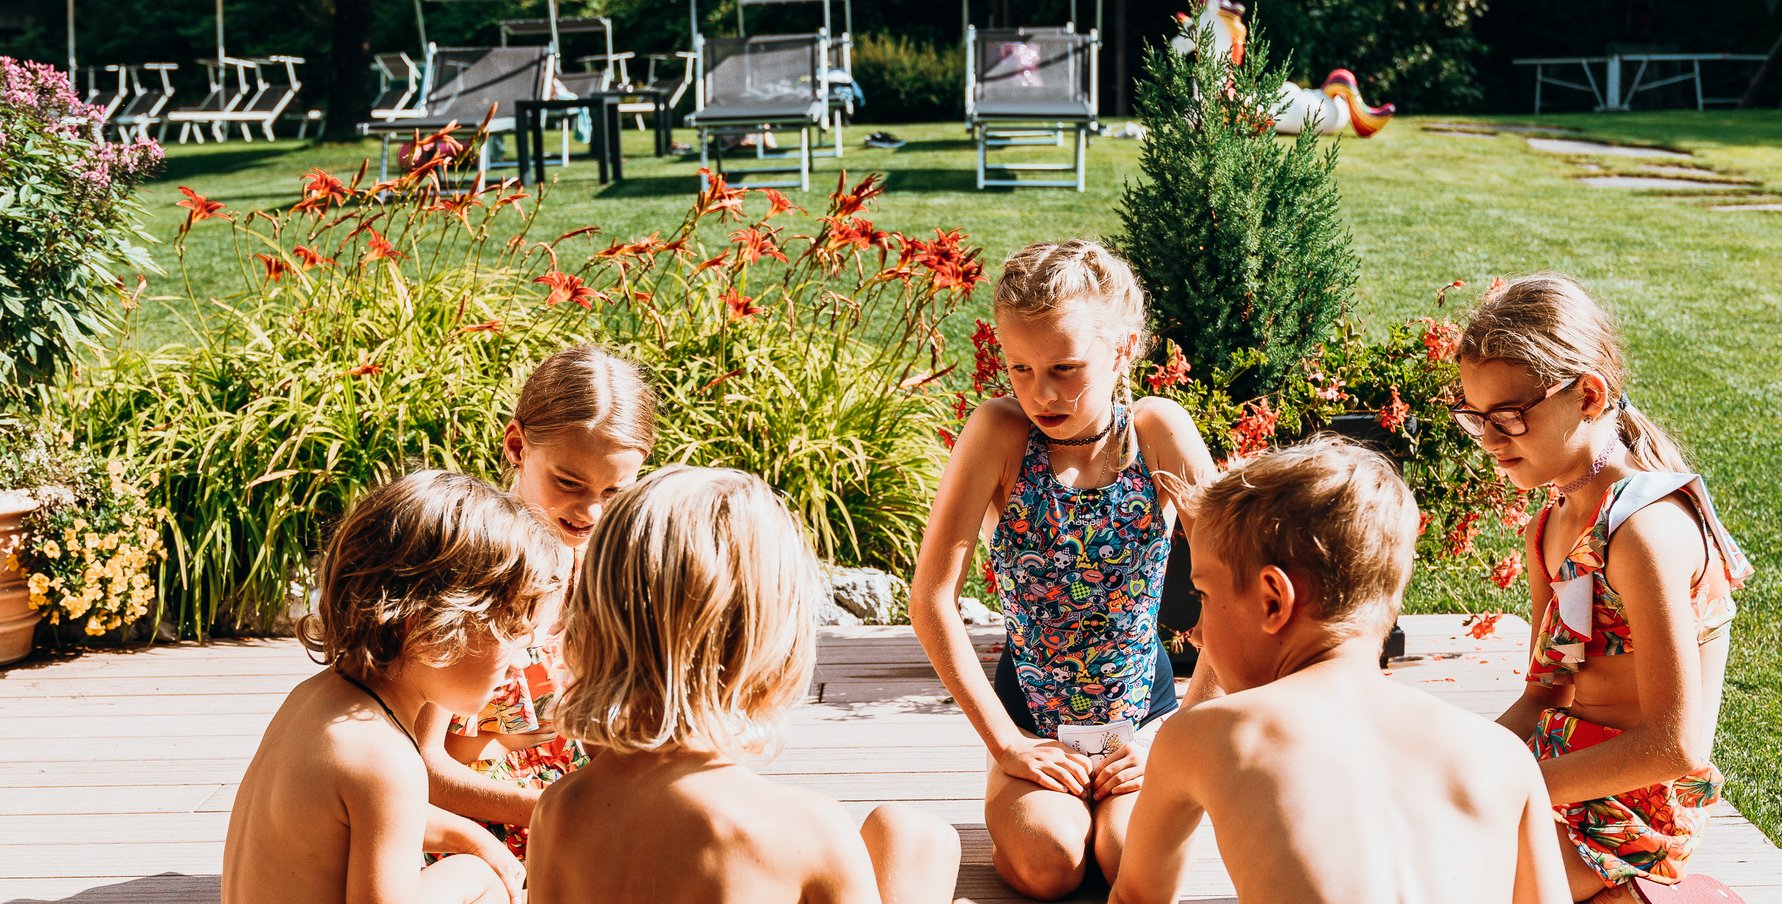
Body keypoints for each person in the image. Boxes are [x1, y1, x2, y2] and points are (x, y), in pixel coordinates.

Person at [1109, 435, 1570, 904]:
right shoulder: (1504, 757)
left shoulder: (1207, 735)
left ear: (1273, 600)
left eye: (1203, 597)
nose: (1197, 632)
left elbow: (1136, 898)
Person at [909, 240, 1217, 899]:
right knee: (1053, 862)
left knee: (1131, 859)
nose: (1039, 393)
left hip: (1143, 719)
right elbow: (930, 598)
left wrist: (1176, 735)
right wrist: (1007, 747)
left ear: (1123, 349)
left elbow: (1238, 588)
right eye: (1019, 368)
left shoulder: (1158, 431)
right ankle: (1019, 815)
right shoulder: (998, 435)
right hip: (1029, 719)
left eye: (1064, 367)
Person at [526, 465, 960, 903]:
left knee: (910, 833)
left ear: (594, 622)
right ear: (767, 643)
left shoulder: (559, 811)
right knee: (921, 841)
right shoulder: (805, 832)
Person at [1455, 274, 1754, 902]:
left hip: (1633, 816)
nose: (1487, 440)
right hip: (1559, 776)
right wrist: (1460, 764)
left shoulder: (1645, 531)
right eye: (1475, 418)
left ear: (1588, 395)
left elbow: (1677, 745)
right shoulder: (1549, 526)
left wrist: (1514, 788)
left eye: (1508, 417)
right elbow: (1544, 694)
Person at [223, 470, 568, 904]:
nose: (521, 661)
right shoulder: (385, 762)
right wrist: (476, 875)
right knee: (476, 879)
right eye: (514, 634)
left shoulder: (313, 702)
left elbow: (358, 816)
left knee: (475, 861)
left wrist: (472, 837)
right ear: (429, 629)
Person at [415, 344, 656, 857]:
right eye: (568, 482)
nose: (589, 511)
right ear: (517, 446)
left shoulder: (603, 571)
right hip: (475, 825)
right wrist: (557, 810)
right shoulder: (475, 574)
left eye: (614, 492)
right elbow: (422, 767)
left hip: (571, 806)